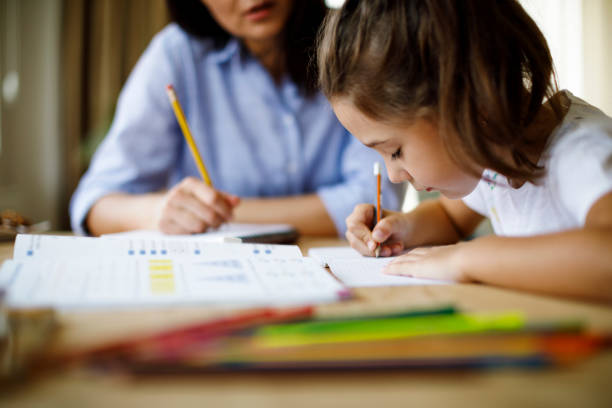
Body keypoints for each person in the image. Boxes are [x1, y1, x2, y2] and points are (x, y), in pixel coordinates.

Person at [317, 0, 612, 302]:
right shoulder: (492, 155)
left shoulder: (583, 153)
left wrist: (468, 258)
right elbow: (450, 217)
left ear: (466, 99)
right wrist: (401, 228)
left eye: (394, 151)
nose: (393, 176)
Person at [70, 0, 402, 237]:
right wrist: (159, 212)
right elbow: (93, 205)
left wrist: (222, 216)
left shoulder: (354, 42)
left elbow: (376, 201)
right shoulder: (176, 56)